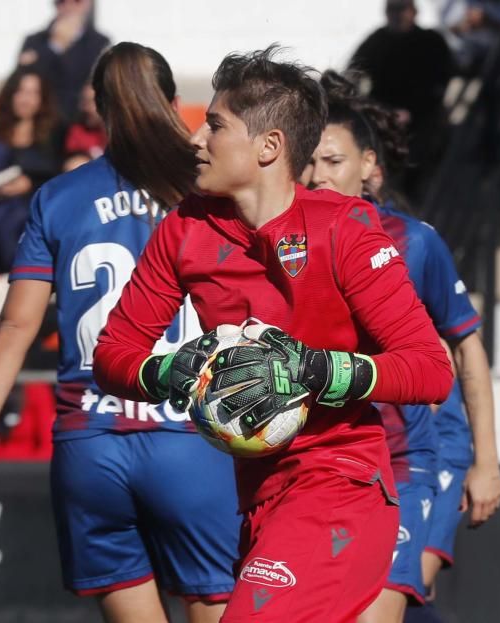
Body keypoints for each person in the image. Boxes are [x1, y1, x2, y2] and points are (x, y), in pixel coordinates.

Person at [93, 48, 454, 622]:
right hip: (258, 498)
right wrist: (166, 371)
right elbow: (112, 355)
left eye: (214, 125)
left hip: (344, 487)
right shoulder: (185, 228)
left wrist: (321, 370)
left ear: (269, 146)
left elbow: (432, 368)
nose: (195, 140)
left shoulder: (345, 229)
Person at [0, 42, 239, 623]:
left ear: (97, 111)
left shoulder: (58, 196)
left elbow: (17, 325)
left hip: (89, 445)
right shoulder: (209, 190)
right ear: (177, 102)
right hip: (189, 432)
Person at [303, 70, 500, 621]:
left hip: (408, 460)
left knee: (398, 598)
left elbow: (467, 346)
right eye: (311, 162)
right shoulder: (287, 244)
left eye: (333, 162)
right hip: (322, 461)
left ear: (369, 167)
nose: (318, 176)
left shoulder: (413, 241)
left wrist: (486, 461)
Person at [0, 66, 64, 275]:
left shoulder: (54, 132)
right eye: (21, 92)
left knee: (15, 222)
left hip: (33, 203)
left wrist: (30, 184)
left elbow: (59, 172)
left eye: (33, 93)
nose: (26, 99)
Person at [350, 0, 455, 202]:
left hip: (422, 120)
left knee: (419, 166)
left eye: (402, 9)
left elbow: (440, 80)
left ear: (413, 12)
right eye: (392, 9)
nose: (397, 15)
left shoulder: (431, 41)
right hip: (383, 119)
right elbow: (354, 71)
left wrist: (412, 111)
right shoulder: (377, 40)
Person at [18, 0, 111, 121]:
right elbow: (23, 80)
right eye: (61, 1)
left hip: (81, 122)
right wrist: (55, 46)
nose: (69, 5)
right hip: (42, 121)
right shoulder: (35, 40)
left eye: (77, 1)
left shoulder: (100, 42)